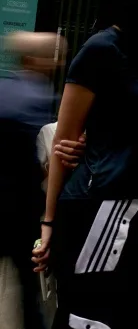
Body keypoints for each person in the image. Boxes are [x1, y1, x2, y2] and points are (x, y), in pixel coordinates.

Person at [33, 0, 138, 329]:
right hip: (104, 204)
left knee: (128, 318)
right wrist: (48, 224)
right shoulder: (102, 48)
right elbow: (64, 143)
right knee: (89, 320)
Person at [1, 33, 61, 329]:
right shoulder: (37, 97)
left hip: (12, 203)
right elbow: (40, 160)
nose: (56, 62)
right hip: (20, 207)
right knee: (27, 282)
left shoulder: (5, 89)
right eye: (51, 56)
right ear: (32, 60)